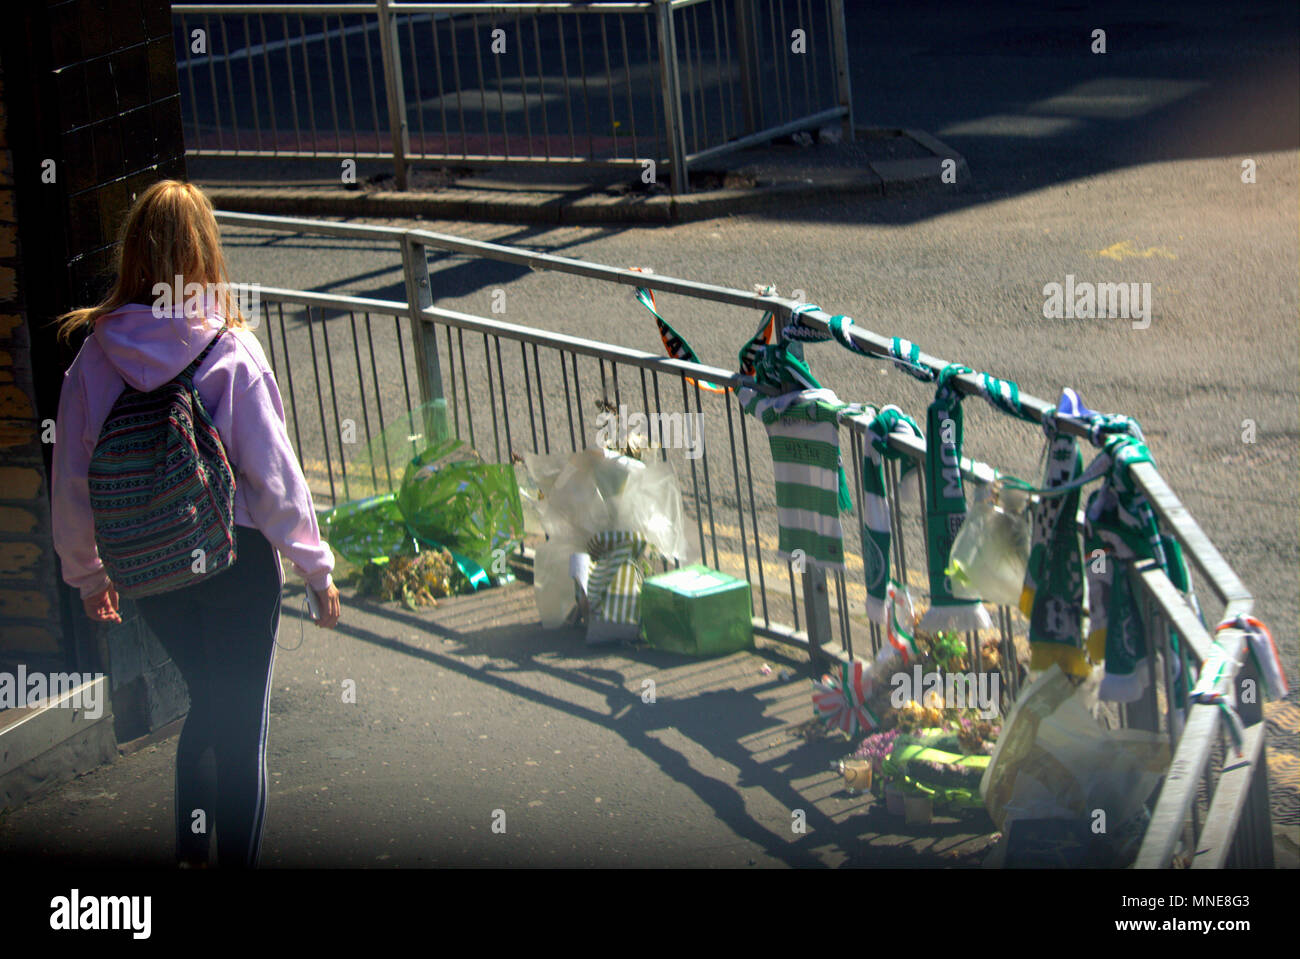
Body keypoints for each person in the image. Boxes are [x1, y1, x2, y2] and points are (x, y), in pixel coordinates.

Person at [50, 179, 340, 868]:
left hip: (149, 566)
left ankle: (189, 854)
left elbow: (70, 479)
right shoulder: (228, 351)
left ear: (134, 255)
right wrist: (314, 565)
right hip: (232, 557)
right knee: (240, 725)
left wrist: (87, 573)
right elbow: (273, 478)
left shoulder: (92, 358)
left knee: (206, 705)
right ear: (203, 252)